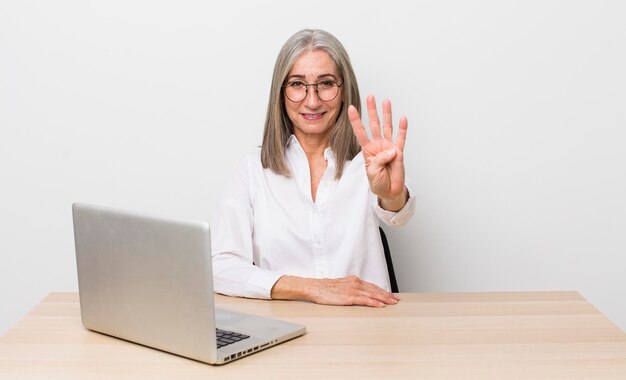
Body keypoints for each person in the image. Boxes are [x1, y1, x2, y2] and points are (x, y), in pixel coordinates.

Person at [211, 29, 415, 308]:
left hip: (369, 332)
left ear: (345, 91)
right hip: (286, 332)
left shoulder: (367, 163)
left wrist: (391, 195)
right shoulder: (252, 169)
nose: (312, 100)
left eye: (326, 83)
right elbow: (220, 267)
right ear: (281, 94)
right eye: (297, 84)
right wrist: (313, 289)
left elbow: (398, 214)